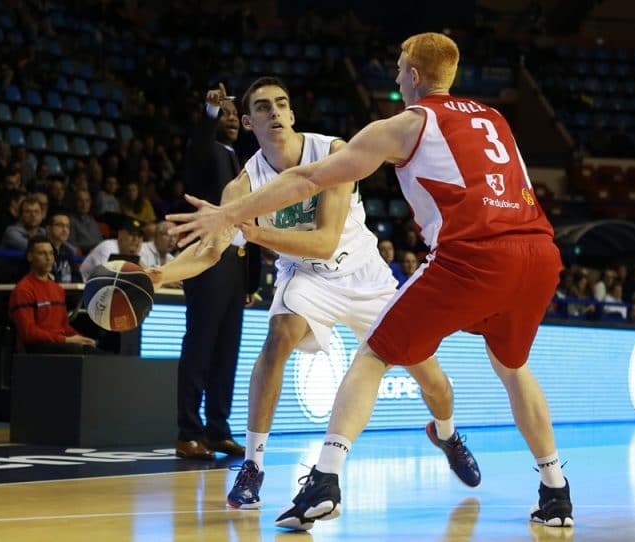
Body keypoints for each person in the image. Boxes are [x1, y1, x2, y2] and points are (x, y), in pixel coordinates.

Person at [168, 33, 573, 529]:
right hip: (539, 254)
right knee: (513, 369)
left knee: (374, 355)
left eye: (400, 68)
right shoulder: (494, 118)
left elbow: (307, 180)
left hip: (466, 257)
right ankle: (556, 493)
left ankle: (325, 480)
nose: (397, 76)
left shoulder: (406, 124)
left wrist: (229, 216)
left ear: (414, 76)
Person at [153, 76, 478, 507]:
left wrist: (253, 232)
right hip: (305, 276)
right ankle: (253, 465)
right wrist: (158, 275)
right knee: (278, 337)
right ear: (248, 122)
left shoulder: (333, 152)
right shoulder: (242, 186)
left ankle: (447, 433)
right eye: (262, 107)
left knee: (432, 379)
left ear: (292, 114)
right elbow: (211, 250)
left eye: (280, 104)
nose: (274, 112)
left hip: (364, 275)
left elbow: (325, 241)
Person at [170, 83, 261, 460]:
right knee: (201, 346)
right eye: (224, 114)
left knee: (227, 351)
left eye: (233, 115)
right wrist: (208, 113)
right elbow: (200, 145)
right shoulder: (207, 152)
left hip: (235, 265)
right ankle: (188, 432)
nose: (231, 119)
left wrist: (250, 280)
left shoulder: (239, 160)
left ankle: (217, 429)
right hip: (209, 260)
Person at [9, 236, 100, 354]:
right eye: (42, 253)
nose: (48, 258)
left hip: (59, 343)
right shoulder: (23, 290)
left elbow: (64, 326)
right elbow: (29, 333)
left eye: (51, 253)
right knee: (78, 350)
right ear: (30, 257)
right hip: (36, 348)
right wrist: (65, 340)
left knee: (97, 352)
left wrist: (81, 338)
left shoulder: (57, 289)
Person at [79, 215, 149, 281]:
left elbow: (149, 279)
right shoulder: (108, 247)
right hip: (82, 286)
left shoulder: (139, 252)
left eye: (139, 236)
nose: (136, 239)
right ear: (120, 235)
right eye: (132, 234)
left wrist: (136, 258)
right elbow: (105, 278)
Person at [45, 212, 81, 284]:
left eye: (67, 226)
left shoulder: (68, 251)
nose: (65, 230)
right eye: (59, 225)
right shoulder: (41, 248)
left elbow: (78, 278)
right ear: (48, 229)